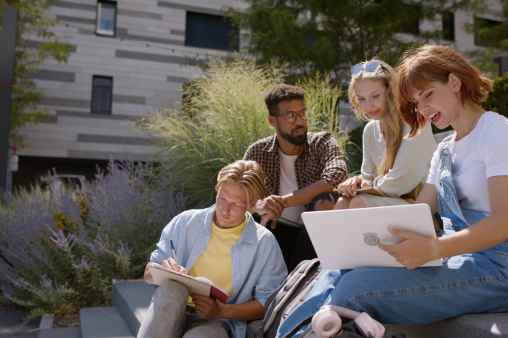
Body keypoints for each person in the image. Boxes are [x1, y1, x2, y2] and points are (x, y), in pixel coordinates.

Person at [276, 44, 508, 337]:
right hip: (456, 257)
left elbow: (504, 223)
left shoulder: (497, 132)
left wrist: (435, 248)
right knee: (338, 269)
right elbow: (421, 210)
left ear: (455, 82)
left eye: (427, 94)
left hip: (502, 268)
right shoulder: (444, 149)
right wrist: (359, 243)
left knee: (355, 289)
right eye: (416, 101)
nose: (423, 109)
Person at [138, 160, 287, 338]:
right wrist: (162, 269)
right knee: (172, 289)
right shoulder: (185, 222)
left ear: (252, 204)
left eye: (236, 204)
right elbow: (148, 272)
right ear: (217, 189)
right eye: (222, 197)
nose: (225, 209)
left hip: (219, 322)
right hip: (172, 310)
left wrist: (222, 311)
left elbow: (268, 305)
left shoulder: (264, 243)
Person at [243, 84, 348, 269]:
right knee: (251, 217)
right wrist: (259, 205)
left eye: (302, 113)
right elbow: (238, 197)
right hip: (274, 231)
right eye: (290, 116)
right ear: (272, 121)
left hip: (314, 237)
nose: (299, 121)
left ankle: (301, 280)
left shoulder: (322, 142)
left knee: (325, 202)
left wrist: (281, 202)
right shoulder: (258, 152)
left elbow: (337, 177)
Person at [335, 59, 436, 209]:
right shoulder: (370, 130)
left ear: (391, 92)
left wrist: (367, 184)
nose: (368, 106)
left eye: (375, 96)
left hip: (424, 208)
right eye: (361, 99)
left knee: (358, 202)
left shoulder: (414, 119)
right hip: (392, 202)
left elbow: (400, 182)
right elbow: (368, 178)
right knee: (343, 201)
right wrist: (356, 181)